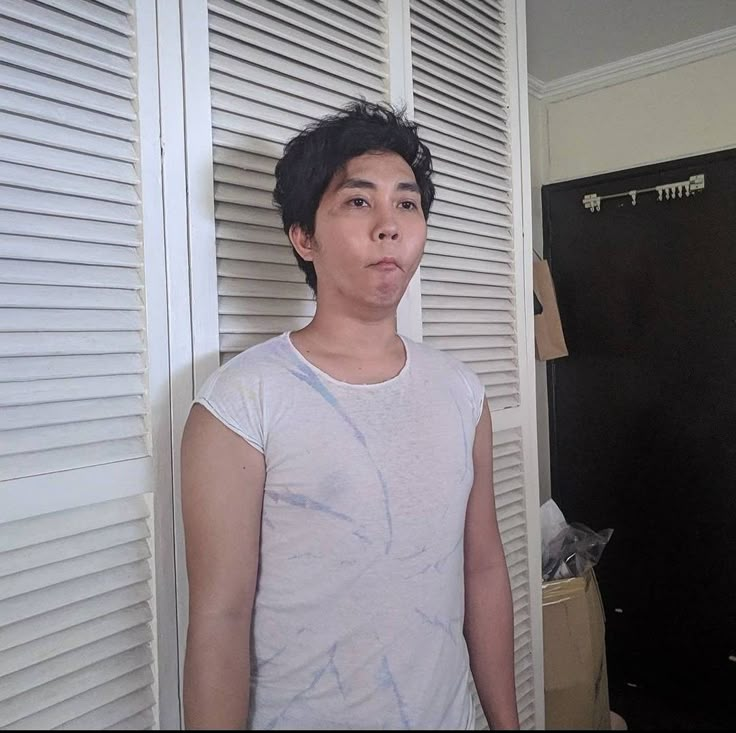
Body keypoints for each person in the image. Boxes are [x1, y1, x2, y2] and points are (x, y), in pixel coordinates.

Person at [181, 101, 519, 730]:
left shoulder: (463, 395)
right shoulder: (241, 402)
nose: (389, 226)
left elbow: (483, 568)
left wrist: (508, 724)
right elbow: (219, 619)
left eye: (407, 203)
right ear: (303, 237)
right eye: (359, 202)